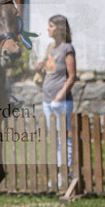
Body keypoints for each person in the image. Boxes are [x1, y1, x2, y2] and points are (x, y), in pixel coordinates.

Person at [34, 14, 77, 169]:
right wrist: (41, 67)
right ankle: (58, 173)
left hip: (61, 101)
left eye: (51, 26)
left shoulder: (67, 48)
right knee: (54, 138)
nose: (48, 28)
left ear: (59, 29)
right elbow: (52, 72)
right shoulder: (51, 48)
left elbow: (72, 77)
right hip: (47, 100)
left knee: (63, 139)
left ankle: (65, 174)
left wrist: (59, 97)